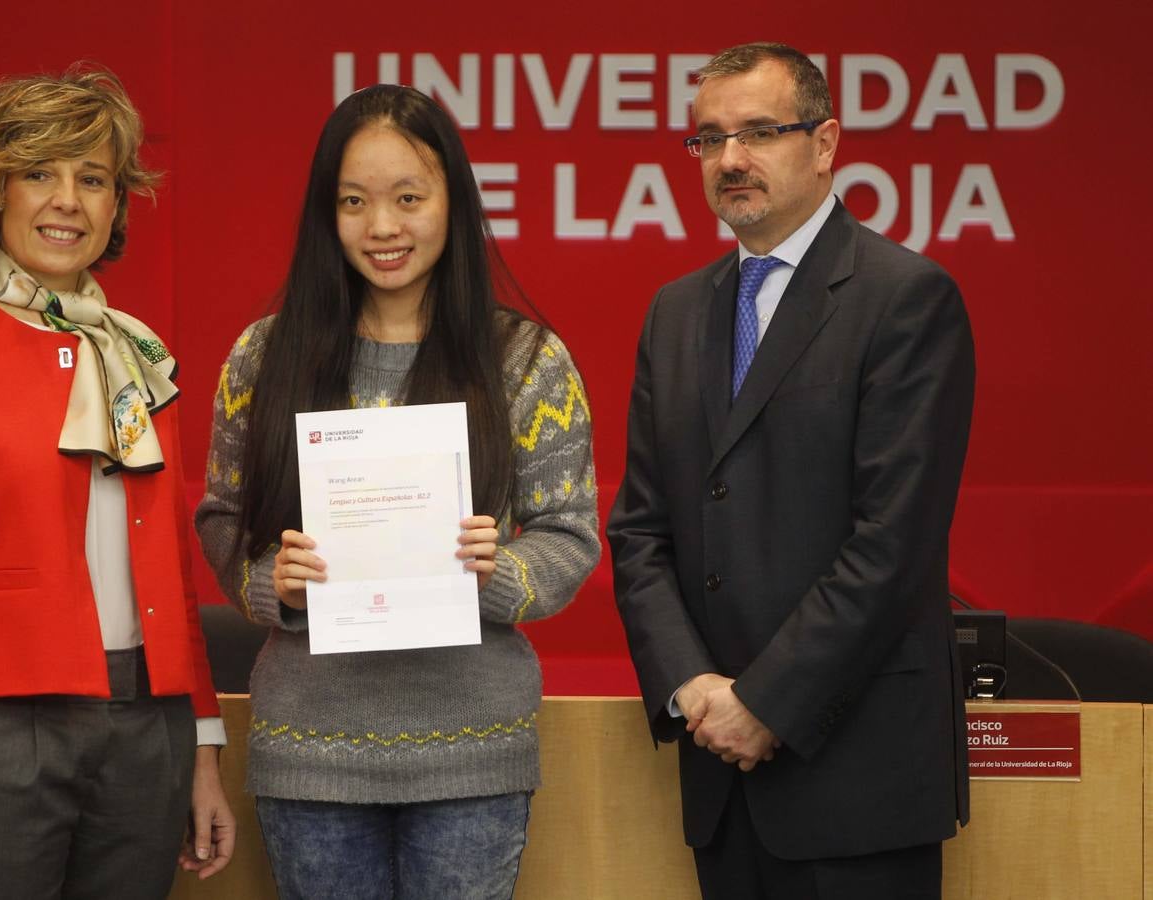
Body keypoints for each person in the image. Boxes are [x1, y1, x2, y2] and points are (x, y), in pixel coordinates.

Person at [195, 83, 598, 899]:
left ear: (453, 201)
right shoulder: (263, 356)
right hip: (311, 748)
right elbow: (222, 521)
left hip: (471, 748)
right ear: (326, 213)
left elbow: (570, 534)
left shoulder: (525, 358)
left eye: (408, 198)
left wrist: (502, 572)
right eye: (354, 202)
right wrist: (276, 582)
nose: (382, 227)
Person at [607, 42, 974, 899]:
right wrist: (693, 687)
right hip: (718, 775)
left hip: (857, 782)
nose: (730, 159)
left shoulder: (905, 298)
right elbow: (639, 528)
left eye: (759, 132)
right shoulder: (675, 311)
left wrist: (766, 703)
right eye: (708, 139)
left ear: (825, 142)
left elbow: (892, 544)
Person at [0, 64, 235, 898]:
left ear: (116, 205)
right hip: (0, 729)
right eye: (40, 172)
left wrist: (202, 747)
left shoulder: (141, 356)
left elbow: (173, 578)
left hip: (149, 727)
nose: (68, 199)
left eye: (93, 178)